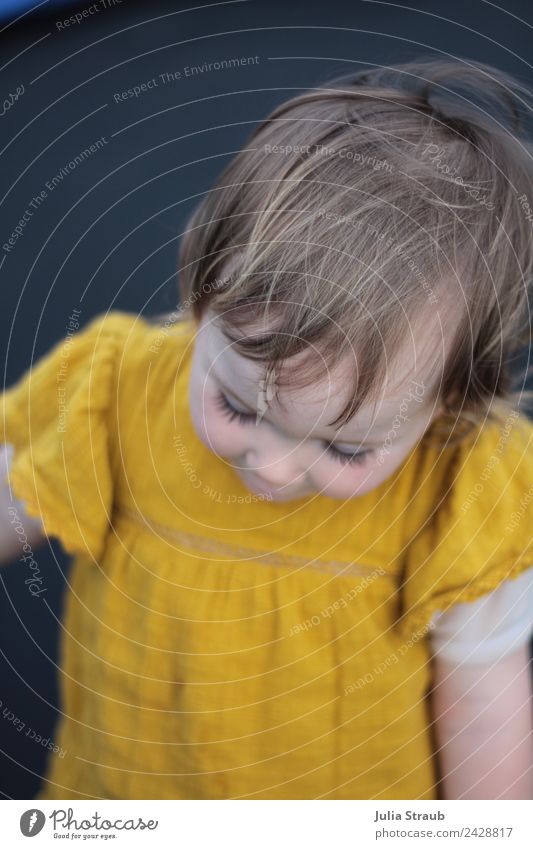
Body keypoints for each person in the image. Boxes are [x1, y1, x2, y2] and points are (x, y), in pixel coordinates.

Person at [1, 56, 533, 801]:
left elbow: (482, 712)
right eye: (241, 407)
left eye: (346, 446)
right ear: (200, 289)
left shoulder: (466, 489)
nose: (276, 467)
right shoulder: (117, 390)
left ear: (452, 400)